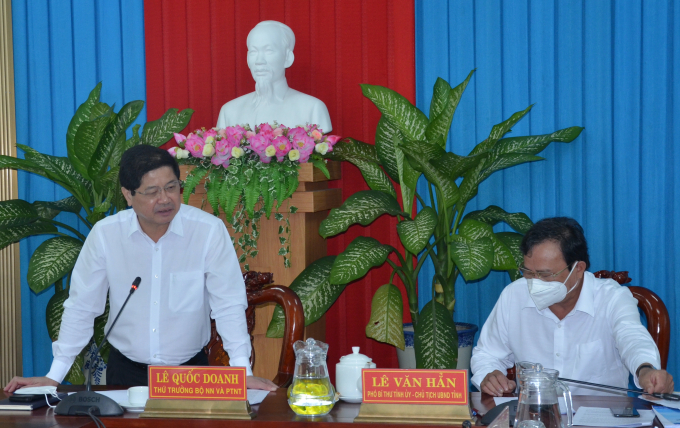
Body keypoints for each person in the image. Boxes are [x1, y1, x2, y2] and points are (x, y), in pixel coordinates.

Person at [4, 145, 277, 393]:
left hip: (189, 373)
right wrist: (54, 375)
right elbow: (82, 306)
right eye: (152, 192)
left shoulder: (207, 231)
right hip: (125, 374)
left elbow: (228, 303)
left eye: (171, 187)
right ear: (128, 195)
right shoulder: (106, 235)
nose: (165, 199)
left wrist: (242, 371)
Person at [471, 217, 674, 396]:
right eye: (528, 272)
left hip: (600, 418)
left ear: (578, 268)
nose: (534, 282)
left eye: (544, 274)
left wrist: (645, 369)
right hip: (535, 416)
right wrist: (489, 374)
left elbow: (632, 338)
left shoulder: (612, 298)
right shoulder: (514, 295)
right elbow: (486, 354)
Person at [216, 20, 332, 133]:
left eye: (269, 51)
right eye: (253, 51)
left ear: (287, 58)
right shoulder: (229, 111)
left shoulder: (312, 109)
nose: (259, 61)